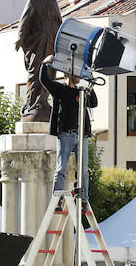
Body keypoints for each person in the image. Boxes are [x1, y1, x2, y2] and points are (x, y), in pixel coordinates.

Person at [40, 54, 98, 194]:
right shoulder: (60, 89)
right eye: (76, 75)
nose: (78, 77)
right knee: (61, 169)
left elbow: (94, 103)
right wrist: (44, 64)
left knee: (84, 170)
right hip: (66, 134)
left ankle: (83, 198)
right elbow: (44, 80)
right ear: (69, 75)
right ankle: (58, 197)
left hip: (81, 135)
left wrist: (91, 86)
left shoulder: (82, 92)